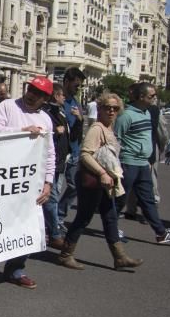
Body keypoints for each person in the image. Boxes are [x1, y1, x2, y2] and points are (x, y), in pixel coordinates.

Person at [57, 92, 142, 270]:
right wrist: (102, 172)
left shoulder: (108, 128)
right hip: (92, 180)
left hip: (104, 181)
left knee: (110, 217)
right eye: (107, 107)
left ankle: (119, 257)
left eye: (115, 108)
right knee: (83, 217)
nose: (111, 111)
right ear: (100, 109)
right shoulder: (97, 128)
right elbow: (85, 154)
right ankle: (66, 254)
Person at [0, 76, 56, 289]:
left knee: (26, 225)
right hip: (1, 178)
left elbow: (50, 153)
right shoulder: (7, 106)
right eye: (31, 89)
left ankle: (16, 269)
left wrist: (48, 183)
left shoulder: (45, 119)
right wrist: (22, 132)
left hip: (29, 182)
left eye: (38, 92)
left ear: (45, 98)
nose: (32, 94)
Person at [113, 82, 170, 244]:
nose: (154, 98)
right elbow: (116, 140)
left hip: (143, 164)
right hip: (128, 163)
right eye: (151, 96)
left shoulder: (147, 113)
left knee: (148, 199)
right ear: (141, 96)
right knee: (120, 199)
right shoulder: (126, 115)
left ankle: (161, 233)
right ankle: (112, 229)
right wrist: (116, 165)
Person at [42, 83, 70, 247]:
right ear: (55, 95)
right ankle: (54, 233)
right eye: (61, 95)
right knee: (51, 198)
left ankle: (52, 228)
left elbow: (69, 131)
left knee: (54, 195)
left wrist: (79, 120)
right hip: (50, 162)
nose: (64, 98)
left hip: (59, 161)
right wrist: (54, 132)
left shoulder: (60, 111)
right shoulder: (47, 112)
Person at [56, 68, 85, 224]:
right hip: (60, 152)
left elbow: (78, 126)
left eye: (80, 86)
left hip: (74, 151)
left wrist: (79, 119)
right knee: (55, 189)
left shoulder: (76, 102)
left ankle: (60, 215)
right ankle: (53, 222)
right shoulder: (58, 101)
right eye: (76, 85)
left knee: (74, 186)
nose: (78, 89)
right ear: (66, 82)